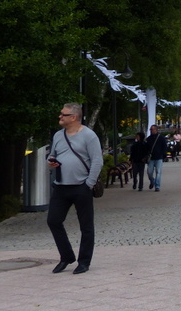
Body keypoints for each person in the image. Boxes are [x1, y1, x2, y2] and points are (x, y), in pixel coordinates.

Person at [47, 103, 103, 274]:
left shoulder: (89, 136)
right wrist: (51, 160)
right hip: (61, 186)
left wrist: (89, 184)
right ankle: (66, 257)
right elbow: (53, 154)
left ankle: (84, 261)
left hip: (81, 187)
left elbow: (97, 160)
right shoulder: (58, 135)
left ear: (73, 117)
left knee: (86, 226)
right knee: (53, 221)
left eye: (63, 115)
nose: (60, 117)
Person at [146, 124, 167, 191]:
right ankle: (152, 181)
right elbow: (147, 148)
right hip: (151, 158)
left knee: (158, 172)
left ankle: (157, 186)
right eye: (150, 129)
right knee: (149, 172)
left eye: (152, 129)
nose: (151, 131)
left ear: (156, 130)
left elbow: (164, 147)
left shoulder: (161, 138)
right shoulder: (149, 139)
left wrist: (163, 155)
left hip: (159, 157)